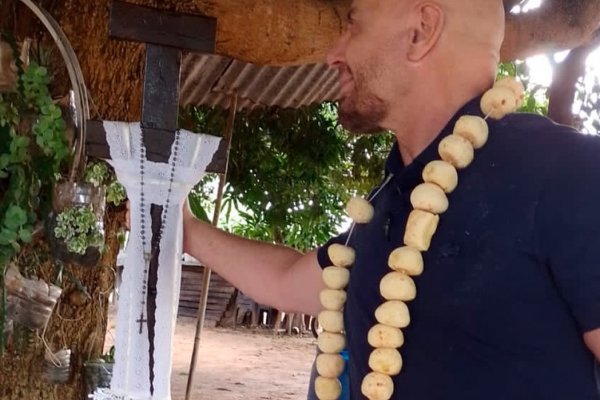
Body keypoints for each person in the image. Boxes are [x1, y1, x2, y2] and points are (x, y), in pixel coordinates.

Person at [182, 0, 600, 398]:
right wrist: (184, 229)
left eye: (353, 24)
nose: (333, 54)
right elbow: (287, 280)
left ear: (421, 31)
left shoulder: (569, 173)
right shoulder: (393, 196)